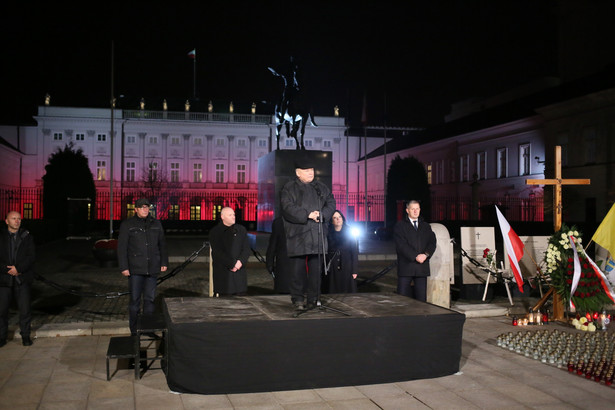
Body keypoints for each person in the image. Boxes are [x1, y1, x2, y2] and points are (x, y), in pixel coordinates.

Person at [280, 155, 336, 311]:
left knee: (315, 272)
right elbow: (287, 208)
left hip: (317, 235)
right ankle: (297, 299)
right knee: (297, 271)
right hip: (298, 235)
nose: (310, 172)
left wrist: (322, 214)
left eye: (312, 170)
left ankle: (314, 298)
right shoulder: (289, 188)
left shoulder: (321, 187)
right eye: (306, 170)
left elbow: (331, 203)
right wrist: (307, 214)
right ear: (298, 172)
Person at [117, 198, 168, 335]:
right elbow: (122, 247)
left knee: (150, 300)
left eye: (147, 207)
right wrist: (124, 267)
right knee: (134, 301)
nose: (145, 209)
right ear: (136, 209)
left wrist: (164, 262)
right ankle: (134, 331)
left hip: (152, 268)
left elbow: (162, 244)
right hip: (135, 269)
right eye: (142, 207)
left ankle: (148, 328)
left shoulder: (156, 224)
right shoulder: (128, 224)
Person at [0, 211, 35, 347]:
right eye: (14, 218)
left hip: (22, 279)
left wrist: (18, 269)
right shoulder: (1, 237)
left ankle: (26, 336)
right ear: (6, 221)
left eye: (19, 219)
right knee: (1, 311)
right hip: (3, 280)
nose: (17, 221)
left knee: (25, 310)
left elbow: (31, 257)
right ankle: (1, 337)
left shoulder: (27, 236)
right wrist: (7, 269)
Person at [393, 200, 437, 302]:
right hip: (406, 266)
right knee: (402, 298)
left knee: (421, 299)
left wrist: (425, 255)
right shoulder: (400, 226)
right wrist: (415, 256)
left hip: (422, 267)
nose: (415, 211)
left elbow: (432, 242)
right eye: (413, 209)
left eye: (417, 208)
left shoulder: (426, 226)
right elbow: (401, 245)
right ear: (407, 210)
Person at [209, 207, 250, 296]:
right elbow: (217, 252)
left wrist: (240, 262)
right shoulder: (215, 232)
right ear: (222, 217)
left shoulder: (241, 230)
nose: (233, 217)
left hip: (239, 275)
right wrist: (232, 264)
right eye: (230, 215)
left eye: (234, 214)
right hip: (224, 276)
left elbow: (246, 249)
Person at [324, 210, 358, 294]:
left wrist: (354, 270)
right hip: (333, 266)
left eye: (339, 217)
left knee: (347, 290)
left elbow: (354, 252)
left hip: (347, 265)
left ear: (343, 219)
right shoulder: (328, 233)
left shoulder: (349, 232)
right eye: (335, 218)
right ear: (332, 221)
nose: (338, 219)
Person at [265, 216, 292, 294]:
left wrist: (269, 263)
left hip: (292, 264)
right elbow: (273, 244)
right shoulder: (279, 222)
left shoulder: (279, 222)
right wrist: (269, 262)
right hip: (285, 265)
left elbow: (273, 244)